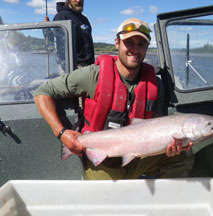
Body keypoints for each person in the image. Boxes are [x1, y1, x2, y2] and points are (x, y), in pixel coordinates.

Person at [33, 18, 194, 180]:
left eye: (141, 44)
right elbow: (42, 92)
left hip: (140, 157)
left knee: (183, 156)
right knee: (105, 200)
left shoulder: (155, 84)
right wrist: (62, 133)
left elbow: (158, 126)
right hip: (104, 161)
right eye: (129, 42)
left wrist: (170, 147)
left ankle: (165, 201)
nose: (135, 50)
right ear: (117, 43)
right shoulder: (92, 75)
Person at [44, 0, 94, 69]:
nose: (79, 0)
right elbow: (55, 40)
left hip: (89, 66)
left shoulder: (84, 19)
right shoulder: (61, 16)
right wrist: (46, 29)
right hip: (72, 67)